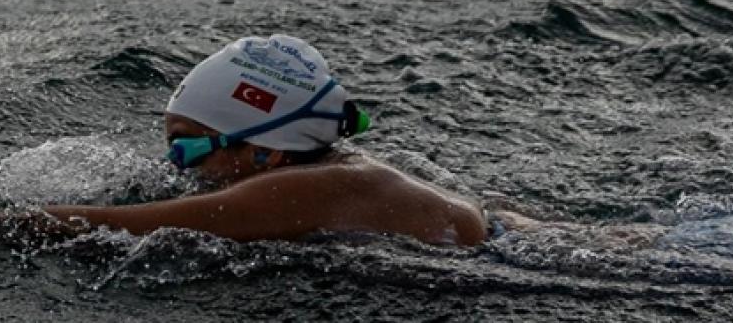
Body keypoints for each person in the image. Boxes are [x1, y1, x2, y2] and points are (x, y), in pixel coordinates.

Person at [40, 35, 489, 246]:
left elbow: (115, 226)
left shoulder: (304, 189)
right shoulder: (342, 173)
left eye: (185, 147)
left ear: (265, 150)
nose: (174, 164)